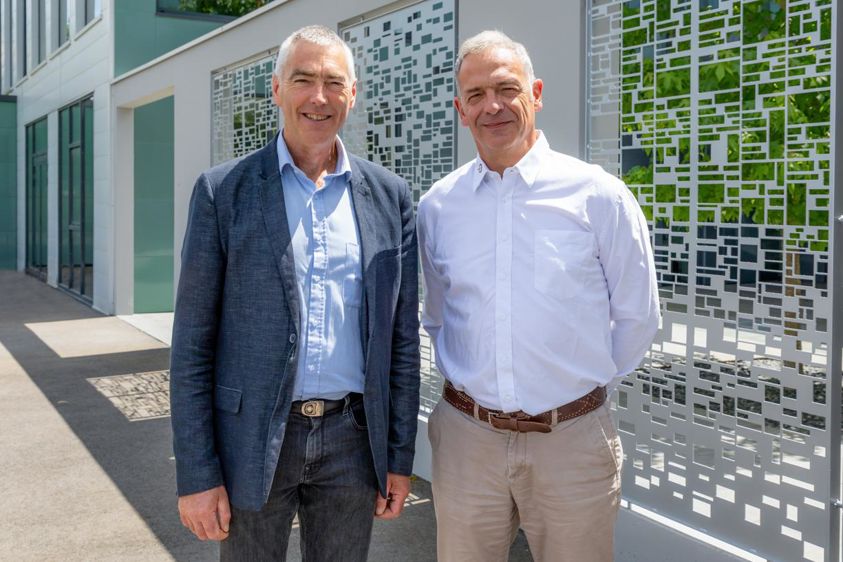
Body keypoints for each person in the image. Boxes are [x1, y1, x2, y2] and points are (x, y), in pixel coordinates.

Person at [169, 25, 420, 562]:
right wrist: (197, 474)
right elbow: (191, 346)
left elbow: (400, 342)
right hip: (252, 439)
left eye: (334, 82)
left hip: (352, 441)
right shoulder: (223, 192)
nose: (319, 97)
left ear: (353, 94)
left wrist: (399, 457)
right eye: (303, 79)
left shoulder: (390, 196)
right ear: (277, 89)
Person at [418, 30, 660, 562]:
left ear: (537, 93)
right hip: (466, 442)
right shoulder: (438, 207)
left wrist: (572, 391)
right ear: (461, 110)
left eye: (507, 88)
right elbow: (437, 317)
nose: (493, 106)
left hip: (571, 441)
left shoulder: (598, 195)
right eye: (476, 95)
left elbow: (637, 317)